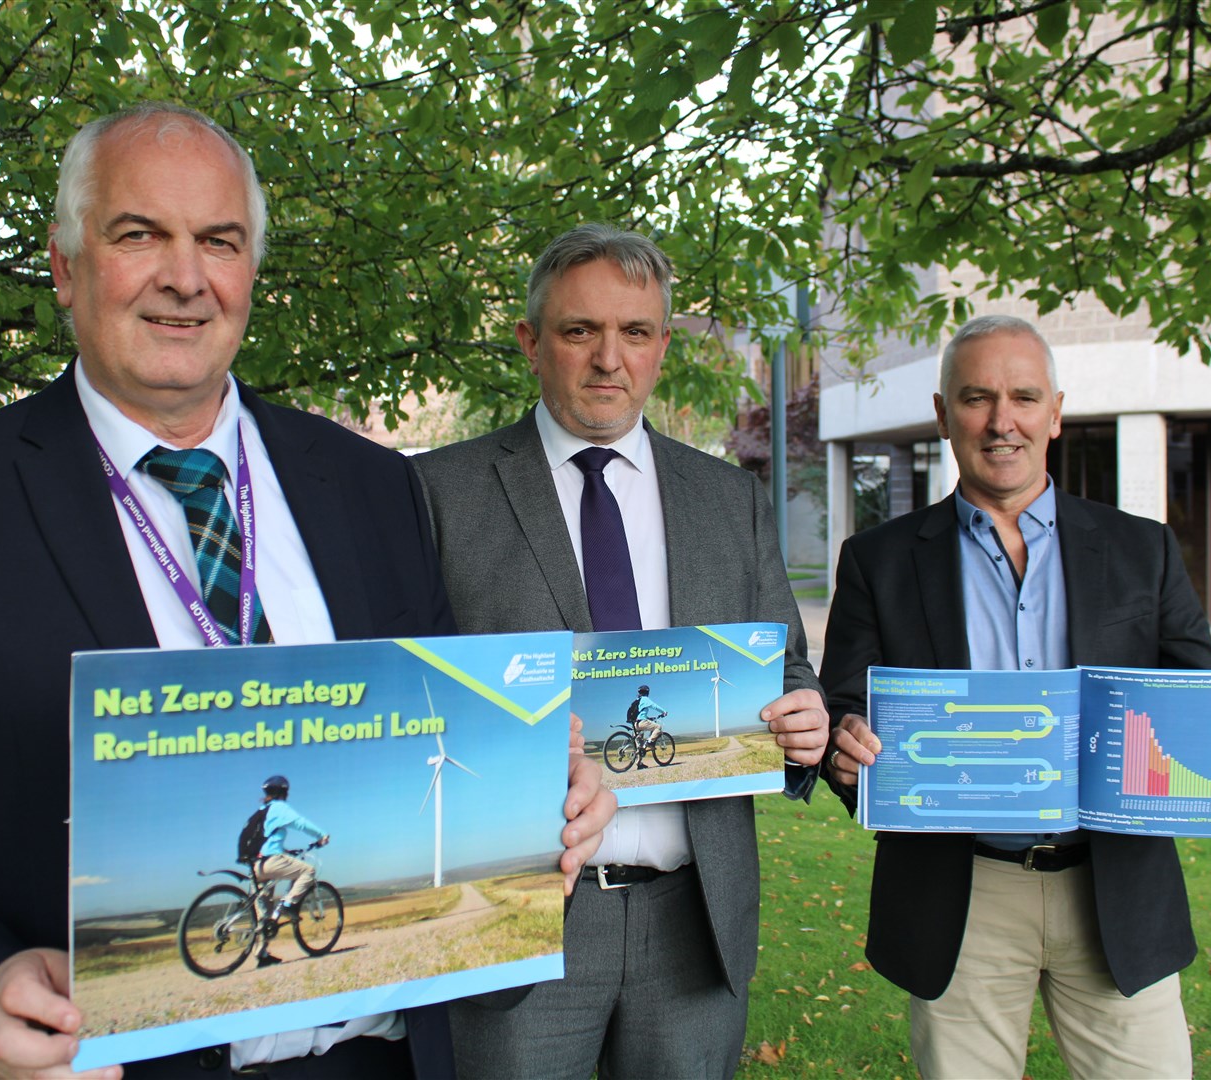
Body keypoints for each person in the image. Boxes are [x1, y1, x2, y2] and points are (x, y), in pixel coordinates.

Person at [0, 103, 613, 1080]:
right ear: (64, 264)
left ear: (249, 270)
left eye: (219, 241)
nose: (184, 277)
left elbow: (442, 760)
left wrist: (544, 805)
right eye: (138, 235)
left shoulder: (373, 487)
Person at [819, 314, 1211, 1079]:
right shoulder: (878, 560)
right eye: (976, 398)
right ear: (943, 415)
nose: (1002, 421)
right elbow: (848, 705)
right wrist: (848, 749)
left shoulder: (1141, 547)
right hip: (960, 893)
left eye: (1023, 397)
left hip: (1115, 893)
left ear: (1056, 412)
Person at [414, 223, 830, 1079]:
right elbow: (406, 699)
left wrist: (806, 724)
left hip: (694, 916)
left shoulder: (726, 499)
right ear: (531, 342)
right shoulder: (439, 494)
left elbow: (787, 666)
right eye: (580, 331)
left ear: (663, 346)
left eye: (635, 333)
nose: (610, 358)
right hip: (518, 916)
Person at [252, 775, 329, 968]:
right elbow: (300, 823)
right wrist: (321, 835)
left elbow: (267, 841)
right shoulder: (279, 807)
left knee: (265, 912)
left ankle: (262, 954)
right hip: (272, 862)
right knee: (308, 871)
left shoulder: (261, 811)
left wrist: (285, 851)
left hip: (256, 865)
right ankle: (289, 904)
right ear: (283, 791)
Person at [628, 684, 665, 754]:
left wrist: (648, 718)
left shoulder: (637, 700)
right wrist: (664, 711)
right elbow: (654, 706)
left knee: (640, 746)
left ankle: (639, 763)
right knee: (658, 727)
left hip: (635, 724)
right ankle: (650, 742)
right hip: (642, 722)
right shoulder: (645, 699)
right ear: (647, 692)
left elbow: (639, 714)